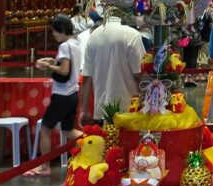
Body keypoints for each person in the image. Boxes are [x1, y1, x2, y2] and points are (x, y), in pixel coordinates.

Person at [26, 15, 82, 177]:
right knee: (68, 130)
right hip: (73, 93)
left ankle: (44, 167)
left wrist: (49, 65)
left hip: (62, 94)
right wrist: (52, 60)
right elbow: (69, 66)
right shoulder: (75, 44)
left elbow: (64, 70)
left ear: (62, 30)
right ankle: (95, 142)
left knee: (45, 128)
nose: (54, 35)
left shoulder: (65, 46)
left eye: (55, 31)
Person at [78, 13, 145, 124]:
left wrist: (84, 110)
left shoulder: (94, 35)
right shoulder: (132, 35)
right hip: (130, 108)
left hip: (102, 110)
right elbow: (139, 74)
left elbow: (86, 78)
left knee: (107, 140)